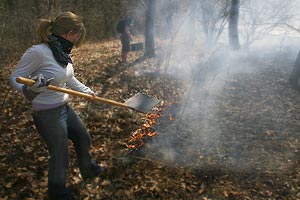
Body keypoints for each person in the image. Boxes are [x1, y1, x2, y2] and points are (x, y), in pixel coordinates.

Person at [9, 12, 106, 200]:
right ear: (70, 33)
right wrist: (30, 87)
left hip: (64, 108)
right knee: (60, 153)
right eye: (77, 35)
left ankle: (89, 170)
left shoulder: (61, 52)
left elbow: (69, 78)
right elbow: (14, 78)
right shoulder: (37, 52)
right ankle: (57, 192)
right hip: (46, 113)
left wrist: (87, 91)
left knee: (82, 137)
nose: (78, 39)